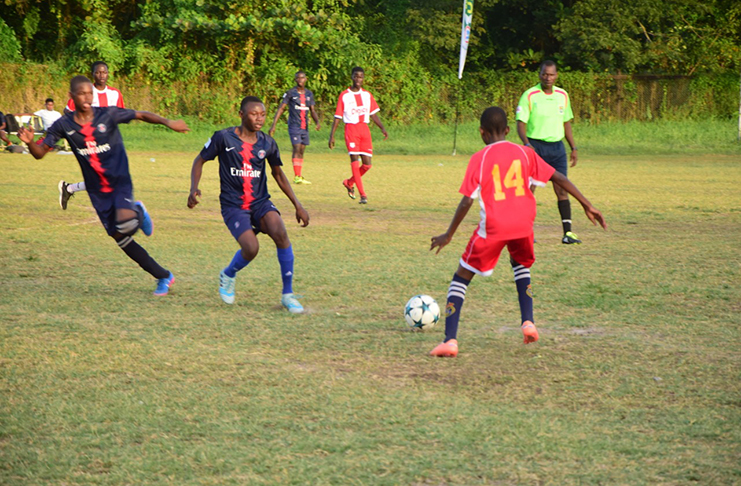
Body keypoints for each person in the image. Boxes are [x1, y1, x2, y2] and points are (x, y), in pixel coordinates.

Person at [428, 107, 606, 358]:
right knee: (520, 262)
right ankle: (528, 322)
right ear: (508, 131)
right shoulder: (525, 153)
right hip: (524, 224)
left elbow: (467, 201)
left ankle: (450, 341)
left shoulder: (479, 157)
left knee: (462, 276)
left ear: (482, 132)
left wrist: (448, 235)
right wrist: (587, 204)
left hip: (494, 226)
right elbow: (558, 177)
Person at [17, 75, 189, 296]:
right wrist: (30, 142)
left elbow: (140, 114)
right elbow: (40, 154)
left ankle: (137, 211)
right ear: (72, 96)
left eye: (90, 93)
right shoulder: (63, 125)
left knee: (126, 223)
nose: (87, 97)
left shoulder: (107, 114)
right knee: (120, 237)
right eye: (82, 93)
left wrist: (168, 122)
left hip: (119, 181)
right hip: (97, 190)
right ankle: (163, 276)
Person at [188, 96, 310, 313]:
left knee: (280, 232)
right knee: (251, 248)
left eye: (263, 114)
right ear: (242, 115)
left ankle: (288, 295)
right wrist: (193, 188)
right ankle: (228, 274)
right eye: (254, 114)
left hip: (260, 203)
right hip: (233, 206)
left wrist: (297, 205)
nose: (259, 118)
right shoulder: (223, 138)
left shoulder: (267, 143)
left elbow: (278, 174)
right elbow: (200, 160)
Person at [516, 60, 582, 244]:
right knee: (530, 189)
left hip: (557, 148)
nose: (548, 78)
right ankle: (524, 232)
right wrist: (527, 144)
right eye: (545, 74)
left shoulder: (562, 95)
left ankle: (568, 233)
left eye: (551, 74)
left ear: (556, 75)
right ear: (539, 74)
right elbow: (520, 123)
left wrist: (573, 147)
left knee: (562, 189)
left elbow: (566, 122)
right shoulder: (530, 95)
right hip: (536, 147)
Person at [59, 61, 126, 209]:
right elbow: (68, 110)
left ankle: (69, 188)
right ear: (93, 74)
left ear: (108, 74)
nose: (101, 75)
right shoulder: (85, 92)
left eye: (104, 72)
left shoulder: (114, 94)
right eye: (98, 72)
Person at [328, 66, 388, 205]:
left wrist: (382, 128)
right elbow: (337, 117)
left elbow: (373, 114)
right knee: (355, 161)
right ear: (352, 77)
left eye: (361, 76)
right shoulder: (345, 95)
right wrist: (332, 135)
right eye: (356, 76)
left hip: (364, 130)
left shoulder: (367, 95)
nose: (358, 79)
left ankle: (349, 182)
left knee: (367, 165)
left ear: (363, 78)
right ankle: (363, 195)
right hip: (351, 129)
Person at [268, 70, 321, 185]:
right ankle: (297, 176)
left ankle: (299, 175)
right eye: (298, 78)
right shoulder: (291, 93)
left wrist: (317, 122)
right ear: (296, 80)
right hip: (294, 126)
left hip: (304, 127)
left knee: (302, 149)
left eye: (302, 78)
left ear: (305, 79)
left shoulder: (309, 94)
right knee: (296, 148)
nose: (300, 80)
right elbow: (281, 108)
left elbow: (312, 110)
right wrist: (274, 125)